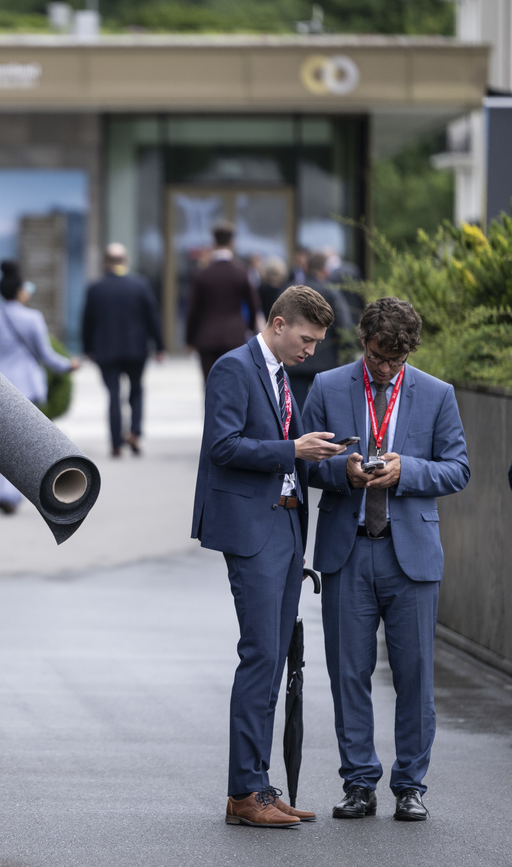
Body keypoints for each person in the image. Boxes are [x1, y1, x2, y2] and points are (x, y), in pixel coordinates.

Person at [303, 297, 469, 822]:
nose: (387, 369)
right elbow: (302, 461)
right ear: (363, 342)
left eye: (397, 361)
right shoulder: (328, 387)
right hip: (346, 549)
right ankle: (359, 784)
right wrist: (342, 473)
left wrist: (408, 472)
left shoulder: (437, 394)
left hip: (411, 555)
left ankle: (410, 785)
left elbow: (458, 469)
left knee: (415, 675)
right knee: (347, 673)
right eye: (378, 358)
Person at [190, 285, 344, 828]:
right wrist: (294, 449)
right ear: (278, 324)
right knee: (260, 655)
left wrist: (330, 458)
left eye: (318, 343)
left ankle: (258, 785)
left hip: (284, 525)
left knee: (274, 657)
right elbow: (222, 446)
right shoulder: (233, 368)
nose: (311, 351)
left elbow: (289, 449)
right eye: (306, 339)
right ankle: (243, 794)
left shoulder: (280, 375)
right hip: (253, 530)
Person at [0, 259, 79, 512]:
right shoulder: (33, 319)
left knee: (5, 444)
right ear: (20, 291)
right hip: (27, 389)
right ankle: (11, 495)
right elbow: (47, 356)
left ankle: (10, 493)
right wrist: (68, 366)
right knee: (21, 446)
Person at [81, 242, 165, 458]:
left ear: (105, 262)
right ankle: (135, 432)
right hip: (136, 349)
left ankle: (116, 443)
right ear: (125, 261)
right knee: (136, 390)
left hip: (105, 351)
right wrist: (160, 346)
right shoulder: (140, 285)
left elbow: (87, 321)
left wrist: (88, 348)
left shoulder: (95, 288)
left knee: (113, 395)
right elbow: (152, 317)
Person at [185, 221, 262, 379]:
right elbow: (253, 305)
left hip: (207, 337)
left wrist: (189, 339)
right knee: (233, 382)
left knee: (210, 383)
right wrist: (250, 329)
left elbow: (193, 309)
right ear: (232, 242)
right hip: (235, 336)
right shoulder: (241, 272)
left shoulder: (202, 274)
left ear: (213, 243)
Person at [286, 252, 354, 409]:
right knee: (324, 409)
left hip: (295, 364)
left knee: (296, 409)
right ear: (325, 271)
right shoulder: (331, 292)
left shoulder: (291, 290)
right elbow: (344, 327)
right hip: (326, 362)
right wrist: (350, 349)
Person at [256, 256, 288, 322]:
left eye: (276, 274)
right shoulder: (284, 291)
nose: (274, 277)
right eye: (272, 274)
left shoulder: (260, 290)